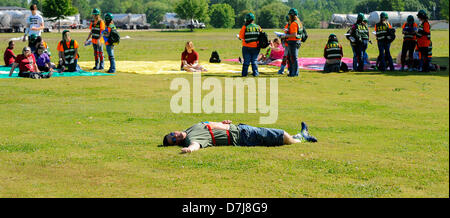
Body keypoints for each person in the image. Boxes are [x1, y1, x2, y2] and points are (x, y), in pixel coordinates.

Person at [163, 121, 318, 153]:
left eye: (172, 135)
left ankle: (299, 136)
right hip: (242, 136)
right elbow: (196, 145)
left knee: (279, 136)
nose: (175, 137)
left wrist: (223, 123)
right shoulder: (191, 139)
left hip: (240, 128)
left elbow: (208, 123)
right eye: (174, 141)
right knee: (281, 135)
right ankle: (301, 138)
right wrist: (189, 150)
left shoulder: (191, 128)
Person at [281, 8, 306, 77]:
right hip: (297, 41)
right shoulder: (299, 22)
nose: (289, 17)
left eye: (289, 15)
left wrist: (285, 36)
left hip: (293, 41)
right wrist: (287, 30)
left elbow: (294, 34)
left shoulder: (294, 23)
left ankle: (294, 73)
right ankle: (292, 72)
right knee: (291, 57)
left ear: (291, 15)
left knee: (293, 58)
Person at [239, 13, 262, 77]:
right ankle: (256, 73)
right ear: (253, 19)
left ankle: (244, 74)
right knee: (254, 61)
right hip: (256, 47)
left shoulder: (245, 27)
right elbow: (261, 35)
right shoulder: (258, 27)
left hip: (246, 47)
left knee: (246, 61)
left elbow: (241, 37)